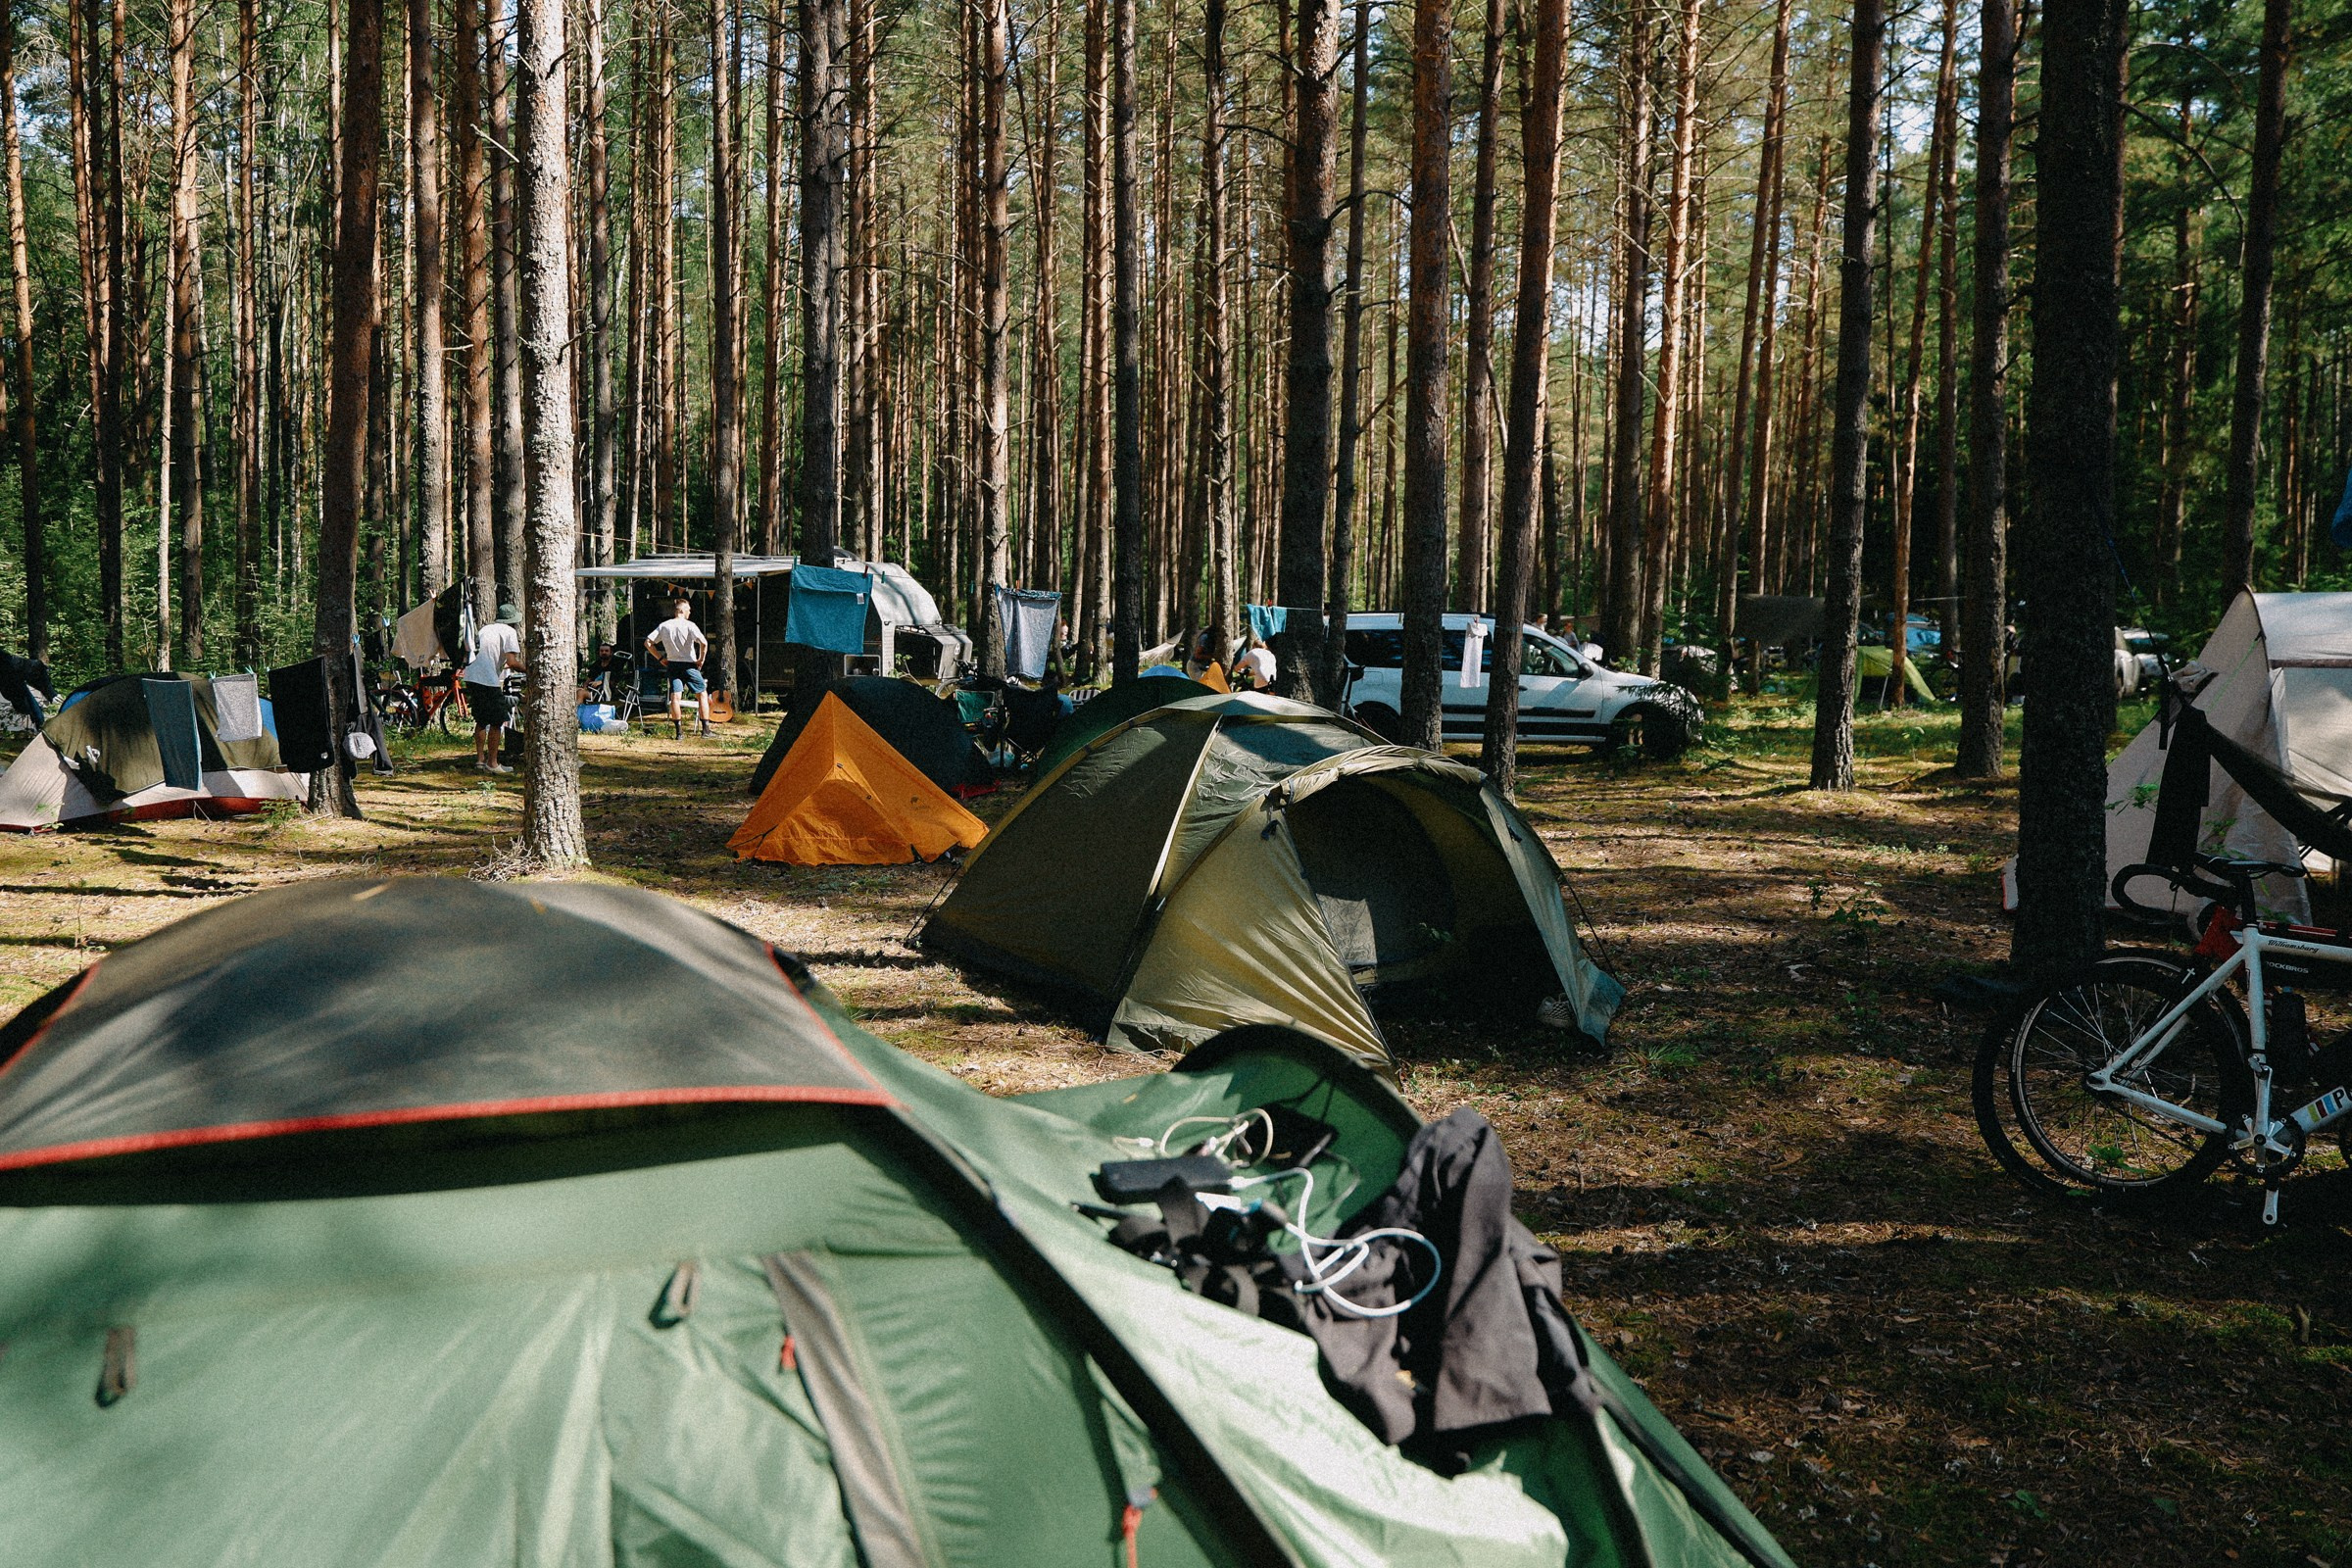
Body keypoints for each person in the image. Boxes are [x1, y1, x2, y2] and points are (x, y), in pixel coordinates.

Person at [464, 604, 524, 774]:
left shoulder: (486, 629)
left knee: (481, 719)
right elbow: (512, 662)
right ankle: (493, 763)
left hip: (471, 676)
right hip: (488, 680)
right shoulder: (509, 632)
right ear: (512, 621)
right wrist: (530, 671)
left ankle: (480, 760)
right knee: (497, 721)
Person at [645, 596, 712, 738]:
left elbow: (648, 643)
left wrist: (660, 658)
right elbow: (704, 643)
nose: (690, 613)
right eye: (688, 610)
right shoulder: (690, 625)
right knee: (702, 694)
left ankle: (679, 733)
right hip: (689, 664)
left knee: (675, 696)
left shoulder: (665, 625)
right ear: (682, 610)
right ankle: (706, 730)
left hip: (673, 664)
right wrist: (701, 659)